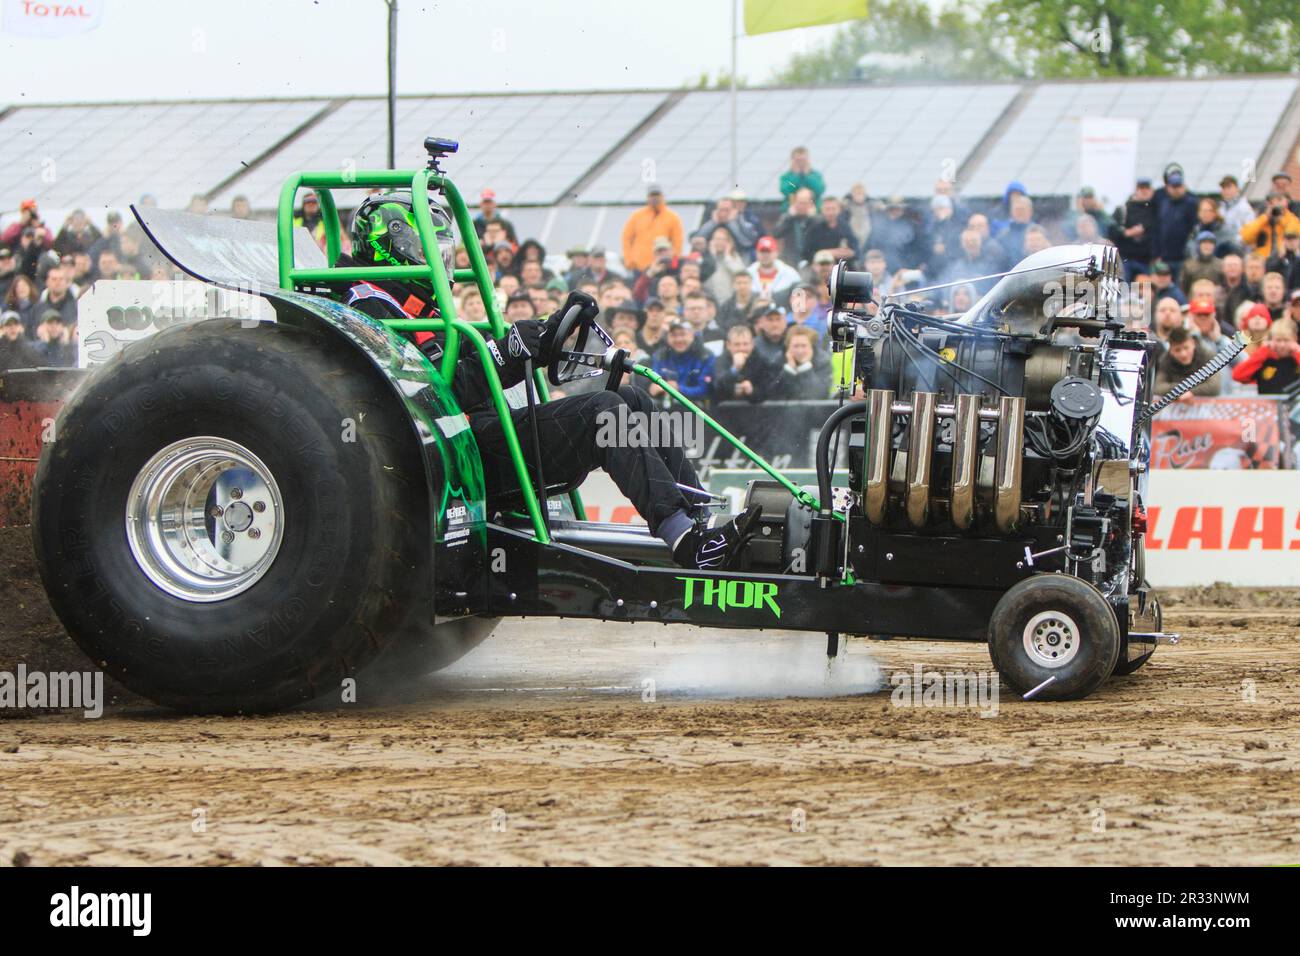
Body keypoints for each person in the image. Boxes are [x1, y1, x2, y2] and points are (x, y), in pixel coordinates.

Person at [337, 191, 759, 569]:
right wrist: (506, 353)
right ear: (392, 247)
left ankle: (700, 521)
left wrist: (543, 332)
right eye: (420, 246)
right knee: (603, 413)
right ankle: (684, 540)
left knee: (634, 401)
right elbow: (428, 395)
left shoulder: (413, 306)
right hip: (457, 452)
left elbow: (471, 356)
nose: (435, 259)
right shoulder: (372, 307)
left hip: (477, 433)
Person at [621, 185, 683, 275]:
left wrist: (674, 262)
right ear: (648, 197)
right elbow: (626, 238)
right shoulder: (637, 216)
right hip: (639, 266)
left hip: (662, 266)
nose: (655, 198)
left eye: (657, 195)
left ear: (662, 196)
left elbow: (677, 242)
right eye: (652, 195)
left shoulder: (672, 218)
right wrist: (629, 260)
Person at [1232, 317, 1298, 394]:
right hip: (1269, 404)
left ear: (1295, 339)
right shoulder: (1265, 359)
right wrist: (1264, 350)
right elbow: (1238, 375)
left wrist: (1297, 352)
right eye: (1278, 340)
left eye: (1286, 340)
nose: (1282, 345)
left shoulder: (1297, 359)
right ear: (1272, 340)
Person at [1155, 326, 1220, 398]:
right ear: (1171, 350)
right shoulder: (1165, 360)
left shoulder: (1207, 356)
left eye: (1186, 348)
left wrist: (1191, 392)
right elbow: (1158, 388)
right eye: (1177, 350)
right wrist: (1181, 390)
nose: (1183, 354)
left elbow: (1214, 386)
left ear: (1193, 343)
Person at [1240, 192, 1300, 260]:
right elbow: (1246, 238)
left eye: (1278, 201)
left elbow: (1294, 233)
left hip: (1283, 257)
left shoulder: (1290, 218)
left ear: (1285, 203)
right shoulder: (1261, 220)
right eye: (1271, 203)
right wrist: (1265, 217)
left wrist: (1281, 218)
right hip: (1263, 259)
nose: (1274, 205)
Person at [712, 323, 761, 403]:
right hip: (725, 411)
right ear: (728, 345)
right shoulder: (720, 360)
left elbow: (767, 389)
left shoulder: (759, 360)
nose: (742, 348)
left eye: (745, 344)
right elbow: (717, 386)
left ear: (752, 344)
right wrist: (734, 369)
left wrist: (752, 391)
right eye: (737, 345)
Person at [779, 146, 824, 212]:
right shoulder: (786, 177)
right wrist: (796, 176)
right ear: (792, 160)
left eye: (803, 160)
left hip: (814, 209)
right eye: (798, 160)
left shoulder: (816, 176)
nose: (801, 163)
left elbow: (819, 190)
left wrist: (807, 175)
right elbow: (786, 190)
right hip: (792, 209)